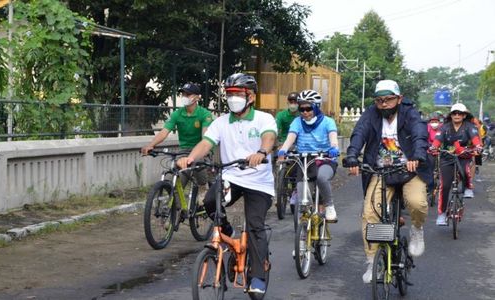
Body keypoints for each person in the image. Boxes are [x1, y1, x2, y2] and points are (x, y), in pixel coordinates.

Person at [177, 73, 277, 294]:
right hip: (232, 177)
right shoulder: (221, 122)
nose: (233, 99)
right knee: (211, 202)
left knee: (255, 226)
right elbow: (206, 143)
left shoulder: (264, 119)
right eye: (230, 94)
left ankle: (258, 276)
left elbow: (268, 137)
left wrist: (261, 152)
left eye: (238, 94)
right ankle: (228, 233)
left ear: (250, 97)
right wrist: (191, 158)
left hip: (258, 182)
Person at [343, 79, 430, 284]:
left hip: (409, 170)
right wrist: (353, 156)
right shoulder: (371, 114)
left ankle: (417, 229)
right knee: (369, 213)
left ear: (399, 99)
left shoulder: (409, 113)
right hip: (380, 170)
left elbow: (419, 134)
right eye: (379, 100)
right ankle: (373, 260)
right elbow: (359, 133)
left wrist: (417, 156)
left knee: (417, 202)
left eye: (388, 100)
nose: (384, 104)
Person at [277, 89, 339, 222]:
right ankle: (304, 234)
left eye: (308, 108)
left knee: (322, 178)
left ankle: (329, 206)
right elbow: (290, 138)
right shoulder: (297, 122)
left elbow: (333, 138)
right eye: (302, 109)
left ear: (316, 107)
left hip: (325, 159)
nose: (305, 112)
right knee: (302, 195)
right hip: (305, 160)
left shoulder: (328, 122)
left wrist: (334, 147)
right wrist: (283, 149)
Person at [141, 83, 213, 187]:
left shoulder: (205, 114)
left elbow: (205, 137)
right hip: (183, 151)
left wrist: (199, 154)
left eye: (188, 95)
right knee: (176, 181)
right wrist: (151, 145)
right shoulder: (177, 114)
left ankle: (203, 191)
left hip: (200, 151)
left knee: (202, 181)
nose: (184, 97)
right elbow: (164, 131)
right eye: (183, 94)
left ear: (197, 97)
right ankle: (174, 199)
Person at [429, 103, 482, 225]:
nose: (457, 115)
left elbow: (475, 138)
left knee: (466, 170)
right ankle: (441, 214)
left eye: (460, 113)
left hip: (464, 156)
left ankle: (468, 187)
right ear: (451, 115)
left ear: (464, 115)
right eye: (454, 113)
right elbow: (437, 140)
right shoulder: (444, 127)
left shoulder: (470, 126)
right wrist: (433, 147)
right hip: (447, 157)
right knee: (445, 185)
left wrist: (478, 146)